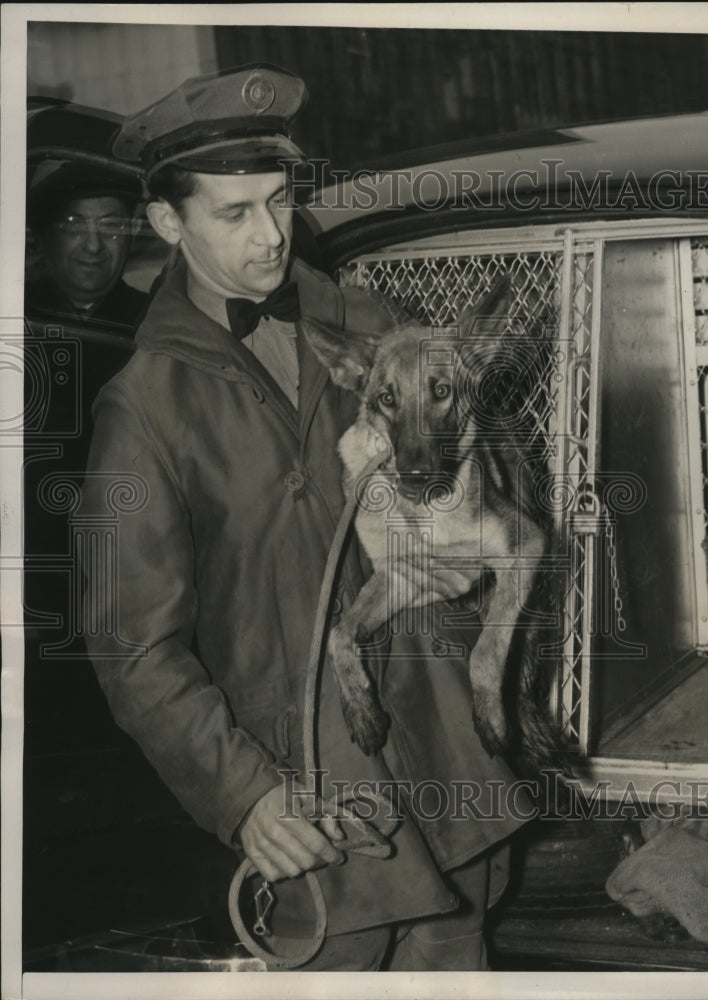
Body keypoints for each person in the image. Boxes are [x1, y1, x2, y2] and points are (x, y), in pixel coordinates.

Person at [82, 63, 534, 971]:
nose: (268, 237)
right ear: (169, 223)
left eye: (279, 202)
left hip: (451, 766)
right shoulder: (144, 405)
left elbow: (496, 464)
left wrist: (472, 540)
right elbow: (131, 644)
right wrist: (245, 796)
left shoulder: (368, 322)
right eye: (233, 212)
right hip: (317, 802)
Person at [26, 163, 149, 331]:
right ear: (44, 234)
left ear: (134, 230)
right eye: (73, 225)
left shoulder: (154, 318)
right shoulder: (15, 307)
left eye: (110, 226)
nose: (93, 246)